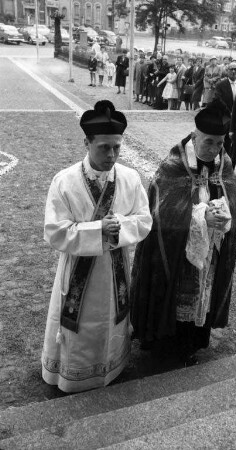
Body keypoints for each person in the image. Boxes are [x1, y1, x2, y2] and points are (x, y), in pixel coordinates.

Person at [42, 100, 152, 393]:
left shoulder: (129, 178)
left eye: (117, 146)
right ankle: (73, 373)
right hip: (78, 271)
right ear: (86, 142)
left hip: (114, 270)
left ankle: (111, 366)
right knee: (82, 325)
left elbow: (144, 219)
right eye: (104, 147)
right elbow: (54, 232)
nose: (112, 154)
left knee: (110, 320)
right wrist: (96, 230)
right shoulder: (65, 181)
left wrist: (120, 229)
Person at [131, 99, 236, 365]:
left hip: (209, 249)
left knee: (201, 295)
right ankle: (164, 343)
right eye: (208, 142)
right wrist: (202, 216)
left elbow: (232, 199)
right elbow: (161, 212)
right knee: (175, 291)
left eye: (219, 143)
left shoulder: (223, 161)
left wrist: (224, 214)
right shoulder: (174, 163)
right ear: (194, 135)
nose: (215, 149)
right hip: (176, 249)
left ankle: (193, 341)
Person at [214, 61, 236, 156]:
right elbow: (218, 100)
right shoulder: (220, 84)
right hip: (224, 117)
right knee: (221, 142)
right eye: (231, 69)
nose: (233, 71)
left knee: (232, 143)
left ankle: (227, 163)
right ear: (227, 71)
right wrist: (229, 112)